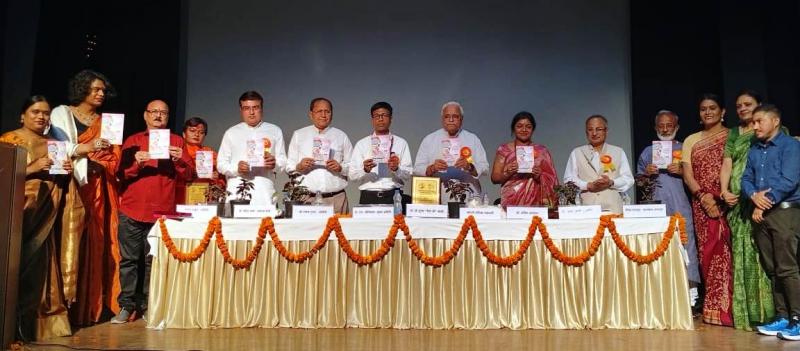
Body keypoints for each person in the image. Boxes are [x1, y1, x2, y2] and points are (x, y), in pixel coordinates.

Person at [0, 96, 95, 340]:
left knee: (42, 270)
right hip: (19, 217)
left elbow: (63, 183)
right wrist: (32, 168)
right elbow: (5, 176)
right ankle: (9, 322)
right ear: (23, 115)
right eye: (35, 112)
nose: (41, 117)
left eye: (46, 113)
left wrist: (66, 174)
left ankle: (38, 323)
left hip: (47, 217)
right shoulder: (10, 140)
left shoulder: (55, 144)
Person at [48, 69, 122, 325]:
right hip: (72, 186)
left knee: (101, 242)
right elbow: (57, 148)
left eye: (103, 90)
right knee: (72, 242)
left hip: (101, 189)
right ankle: (66, 307)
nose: (101, 94)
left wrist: (101, 162)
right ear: (82, 89)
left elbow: (114, 157)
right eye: (96, 89)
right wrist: (85, 150)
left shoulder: (108, 122)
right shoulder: (61, 113)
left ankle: (95, 306)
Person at [112, 100, 193, 323]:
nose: (158, 116)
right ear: (145, 115)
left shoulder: (176, 141)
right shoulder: (133, 141)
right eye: (154, 112)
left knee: (153, 261)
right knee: (128, 260)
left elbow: (189, 176)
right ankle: (126, 306)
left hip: (161, 212)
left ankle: (149, 306)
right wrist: (136, 163)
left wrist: (179, 159)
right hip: (132, 208)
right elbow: (121, 174)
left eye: (163, 113)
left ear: (168, 117)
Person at [740, 104, 800, 339]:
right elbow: (746, 178)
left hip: (785, 212)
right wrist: (754, 196)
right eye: (753, 122)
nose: (754, 126)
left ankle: (798, 318)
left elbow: (790, 179)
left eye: (759, 121)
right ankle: (783, 316)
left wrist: (765, 200)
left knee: (788, 267)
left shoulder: (791, 146)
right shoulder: (755, 150)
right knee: (772, 268)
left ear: (775, 121)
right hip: (762, 213)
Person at [718, 90, 774, 330]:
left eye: (747, 104)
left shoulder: (769, 131)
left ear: (759, 106)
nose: (742, 108)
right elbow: (727, 164)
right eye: (738, 105)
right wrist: (724, 191)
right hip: (736, 204)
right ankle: (746, 314)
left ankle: (771, 313)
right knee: (741, 254)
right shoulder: (733, 133)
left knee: (762, 254)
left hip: (761, 201)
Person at [636, 110, 701, 310]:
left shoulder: (686, 149)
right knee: (657, 248)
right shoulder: (648, 152)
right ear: (655, 128)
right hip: (656, 209)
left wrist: (682, 172)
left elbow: (699, 178)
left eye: (669, 125)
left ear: (677, 127)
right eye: (661, 126)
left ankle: (691, 297)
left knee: (686, 247)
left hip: (681, 206)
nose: (665, 129)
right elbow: (638, 183)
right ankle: (659, 296)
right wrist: (646, 175)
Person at [682, 93, 733, 326]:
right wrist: (703, 197)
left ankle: (733, 309)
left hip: (730, 203)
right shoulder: (692, 140)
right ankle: (712, 308)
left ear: (723, 111)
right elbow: (688, 174)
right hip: (702, 205)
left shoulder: (733, 137)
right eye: (703, 109)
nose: (708, 112)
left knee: (732, 254)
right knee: (708, 255)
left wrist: (722, 197)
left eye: (713, 108)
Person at [217, 91, 286, 207]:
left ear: (262, 109)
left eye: (255, 107)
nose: (251, 112)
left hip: (264, 192)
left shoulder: (275, 131)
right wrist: (236, 169)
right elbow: (220, 164)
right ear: (241, 110)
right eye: (246, 108)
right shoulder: (231, 133)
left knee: (266, 224)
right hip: (237, 193)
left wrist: (275, 164)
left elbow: (283, 162)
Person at [286, 97, 352, 213]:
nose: (323, 115)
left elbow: (353, 168)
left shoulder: (341, 136)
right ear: (311, 114)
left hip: (336, 199)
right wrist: (299, 166)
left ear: (332, 114)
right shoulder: (299, 135)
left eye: (327, 111)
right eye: (319, 111)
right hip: (306, 199)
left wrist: (341, 168)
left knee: (340, 231)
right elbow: (288, 166)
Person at [413, 101, 489, 201]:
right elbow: (417, 169)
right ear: (442, 119)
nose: (451, 120)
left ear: (461, 119)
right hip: (438, 195)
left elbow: (485, 167)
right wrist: (432, 168)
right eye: (447, 116)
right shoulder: (430, 139)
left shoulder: (472, 139)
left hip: (469, 195)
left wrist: (469, 166)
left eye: (455, 116)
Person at [563, 115, 633, 213]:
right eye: (590, 129)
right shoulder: (577, 152)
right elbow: (569, 180)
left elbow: (628, 179)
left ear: (606, 131)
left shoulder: (618, 151)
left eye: (598, 129)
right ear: (586, 132)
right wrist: (587, 185)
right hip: (587, 208)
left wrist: (611, 182)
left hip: (613, 207)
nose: (594, 133)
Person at [348, 102, 413, 205]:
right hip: (368, 196)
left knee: (395, 222)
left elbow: (408, 174)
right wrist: (365, 169)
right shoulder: (362, 144)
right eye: (377, 116)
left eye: (384, 115)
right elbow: (352, 176)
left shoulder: (401, 143)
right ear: (372, 120)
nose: (381, 119)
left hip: (393, 195)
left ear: (391, 118)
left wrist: (396, 169)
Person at [490, 111, 558, 207]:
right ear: (513, 128)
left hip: (536, 202)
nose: (524, 129)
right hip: (511, 201)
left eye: (528, 127)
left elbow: (552, 179)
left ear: (533, 129)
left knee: (535, 222)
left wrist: (539, 176)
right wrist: (508, 172)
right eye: (519, 126)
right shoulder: (504, 150)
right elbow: (494, 178)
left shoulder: (542, 151)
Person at [176, 117, 227, 204]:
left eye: (201, 132)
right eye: (192, 130)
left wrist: (217, 176)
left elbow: (222, 179)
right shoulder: (178, 152)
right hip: (182, 195)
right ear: (184, 134)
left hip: (204, 196)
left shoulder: (210, 153)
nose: (196, 134)